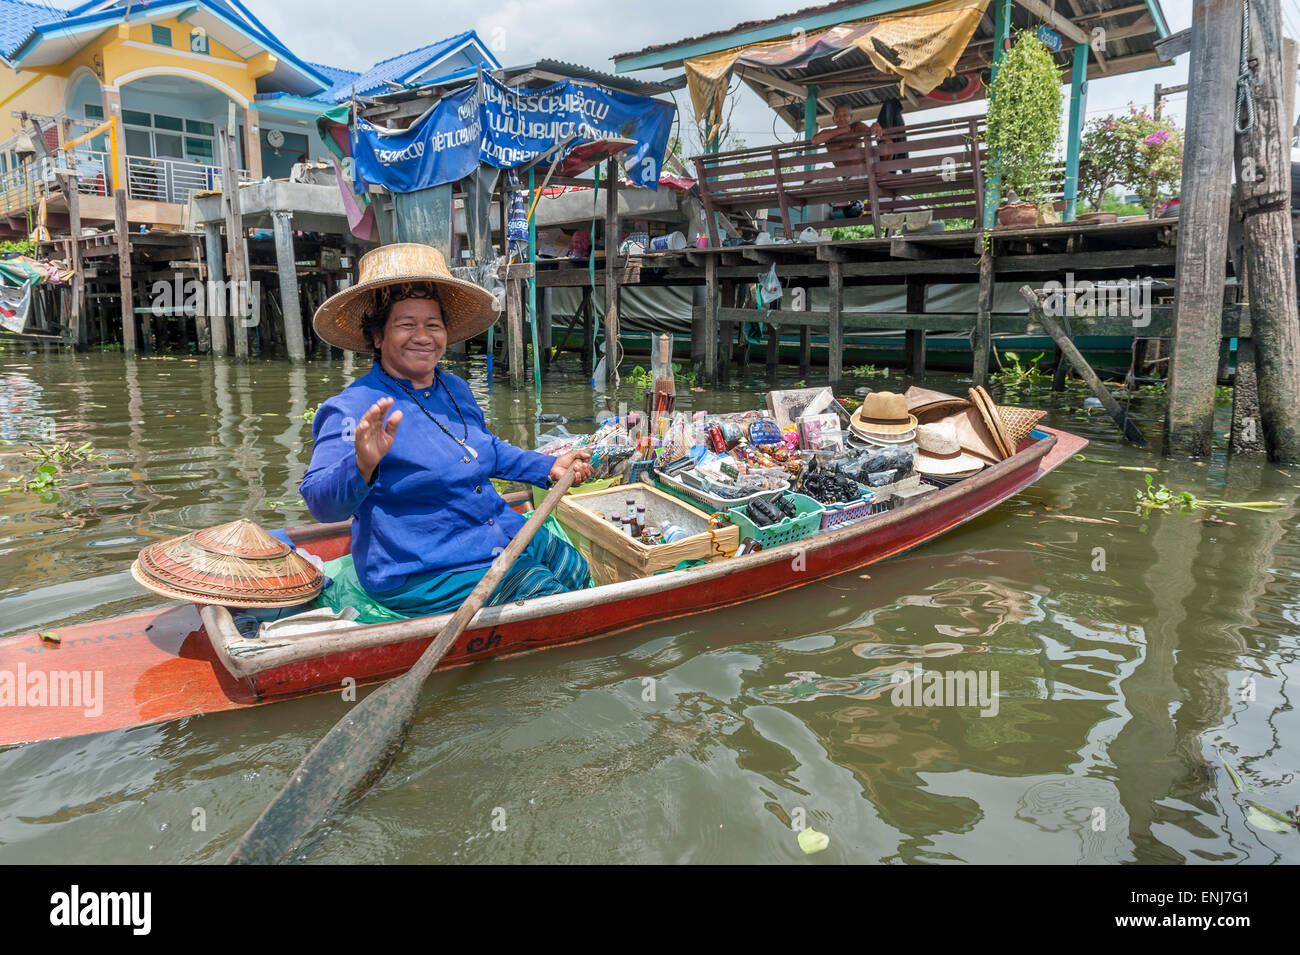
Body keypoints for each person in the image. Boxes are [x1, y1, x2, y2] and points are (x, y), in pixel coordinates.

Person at [301, 242, 595, 619]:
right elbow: (320, 503)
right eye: (406, 324)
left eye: (433, 325)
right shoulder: (353, 407)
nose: (423, 336)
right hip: (424, 567)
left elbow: (483, 448)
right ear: (377, 336)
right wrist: (361, 463)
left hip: (493, 530)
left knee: (576, 570)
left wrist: (545, 467)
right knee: (547, 598)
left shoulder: (454, 388)